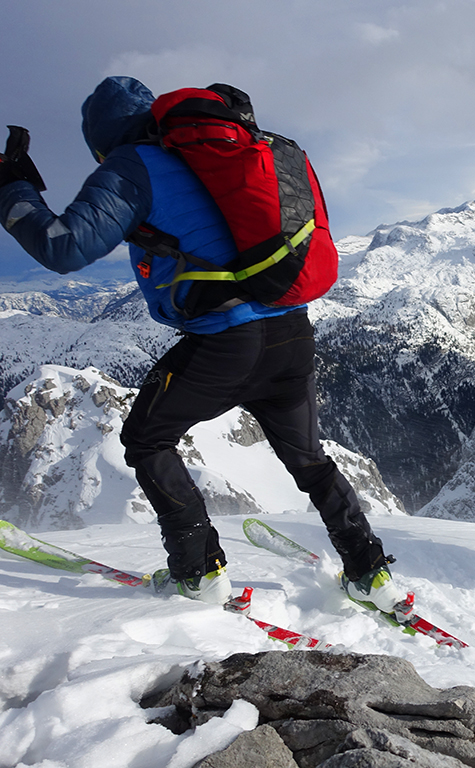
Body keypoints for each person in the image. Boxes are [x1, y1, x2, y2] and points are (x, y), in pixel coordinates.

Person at [0, 76, 408, 615]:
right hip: (293, 332)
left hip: (226, 343)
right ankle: (370, 572)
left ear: (102, 139)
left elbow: (64, 247)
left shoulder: (133, 165)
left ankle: (198, 572)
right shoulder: (226, 154)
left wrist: (12, 187)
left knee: (147, 439)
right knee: (309, 459)